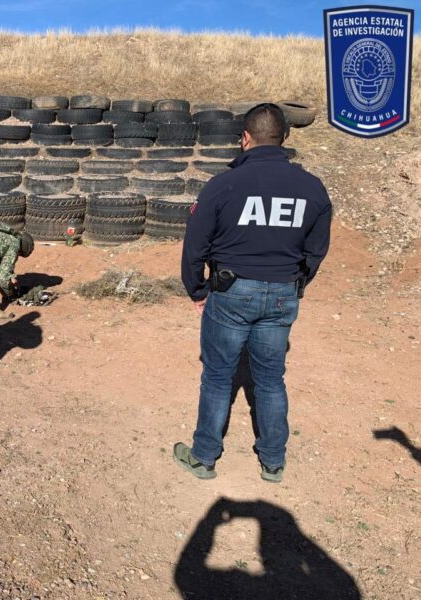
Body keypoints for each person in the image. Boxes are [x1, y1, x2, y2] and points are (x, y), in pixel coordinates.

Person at [175, 103, 331, 483]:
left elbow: (194, 246)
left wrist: (197, 290)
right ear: (284, 138)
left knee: (217, 376)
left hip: (230, 292)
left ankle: (205, 456)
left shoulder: (223, 185)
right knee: (271, 378)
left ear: (245, 139)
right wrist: (295, 284)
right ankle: (273, 461)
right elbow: (316, 250)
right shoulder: (312, 188)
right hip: (282, 294)